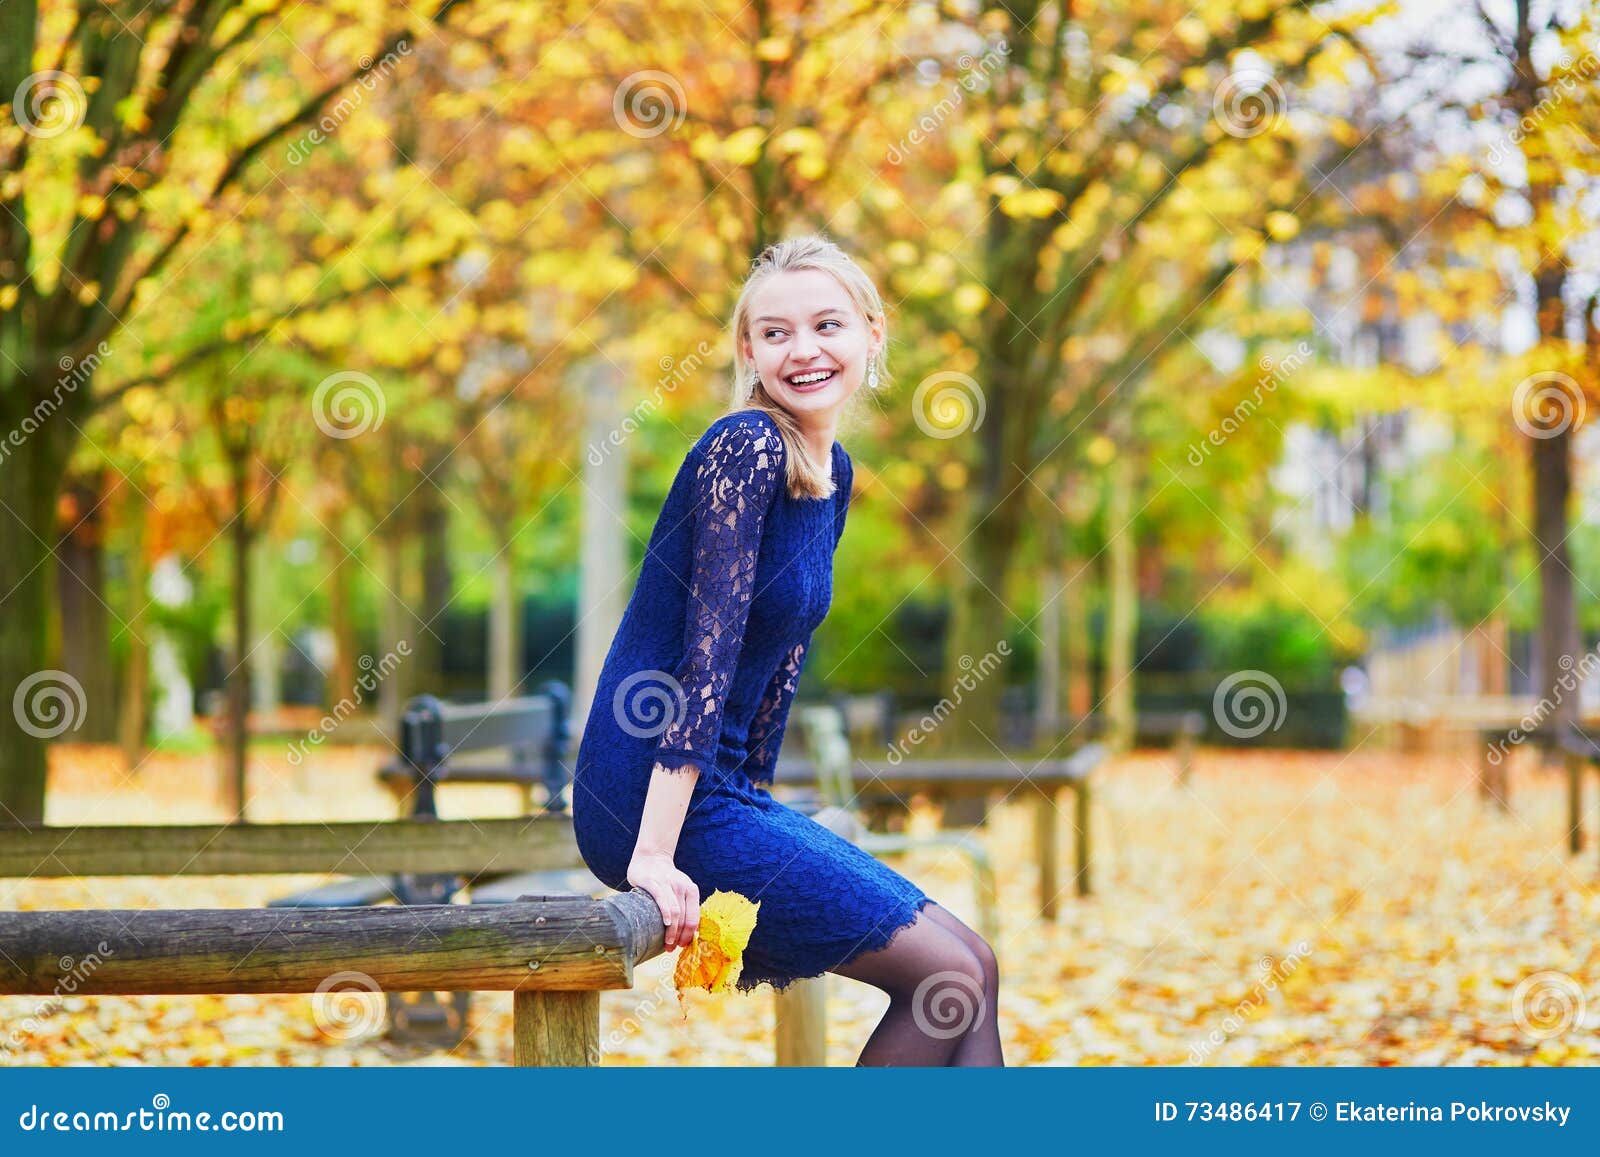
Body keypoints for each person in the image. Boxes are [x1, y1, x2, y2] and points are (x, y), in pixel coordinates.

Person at [572, 234, 1004, 1066]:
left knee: (973, 965)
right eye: (776, 332)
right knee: (945, 974)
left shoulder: (828, 471)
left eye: (827, 325)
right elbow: (709, 659)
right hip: (648, 794)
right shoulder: (748, 449)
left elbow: (782, 663)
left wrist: (765, 811)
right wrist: (654, 855)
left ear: (872, 335)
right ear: (748, 349)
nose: (803, 350)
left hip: (722, 789)